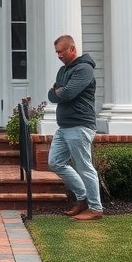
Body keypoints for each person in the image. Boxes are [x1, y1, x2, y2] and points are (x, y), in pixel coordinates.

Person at [47, 34, 103, 220]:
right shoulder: (63, 71)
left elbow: (67, 94)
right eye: (56, 52)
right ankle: (83, 198)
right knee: (55, 162)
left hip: (80, 125)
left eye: (60, 51)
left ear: (72, 49)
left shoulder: (84, 69)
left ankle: (95, 208)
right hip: (64, 127)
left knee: (84, 166)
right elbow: (52, 94)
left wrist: (59, 91)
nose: (58, 55)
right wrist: (58, 92)